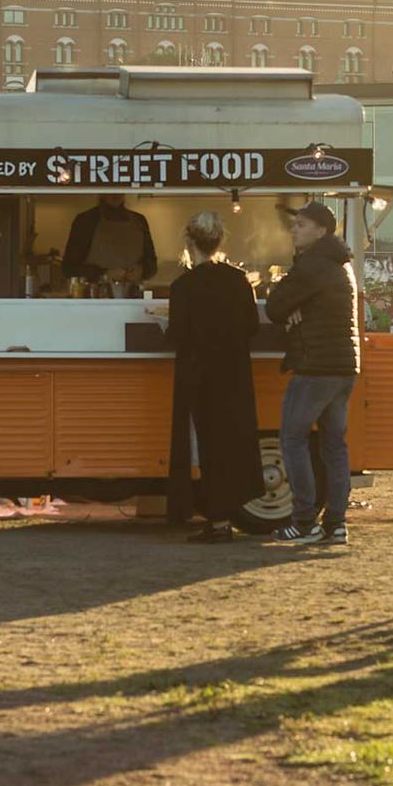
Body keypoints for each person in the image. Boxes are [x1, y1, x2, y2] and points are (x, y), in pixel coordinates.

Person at [158, 211, 266, 543]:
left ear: (189, 243)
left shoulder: (182, 286)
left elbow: (178, 335)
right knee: (234, 444)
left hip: (200, 377)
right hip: (234, 374)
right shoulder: (238, 281)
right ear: (220, 241)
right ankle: (229, 514)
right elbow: (251, 326)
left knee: (208, 446)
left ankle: (217, 522)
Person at [263, 202, 359, 546]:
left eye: (302, 225)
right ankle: (336, 523)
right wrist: (297, 307)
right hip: (345, 366)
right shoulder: (342, 264)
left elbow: (274, 306)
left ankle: (304, 521)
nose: (294, 229)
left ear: (320, 230)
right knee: (334, 445)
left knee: (292, 439)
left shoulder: (311, 264)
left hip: (315, 365)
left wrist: (291, 307)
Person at [63, 194, 158, 285]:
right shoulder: (86, 220)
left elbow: (152, 264)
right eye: (111, 188)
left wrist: (142, 271)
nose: (115, 193)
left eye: (120, 188)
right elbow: (69, 268)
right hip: (95, 295)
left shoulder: (139, 221)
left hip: (133, 295)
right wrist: (103, 274)